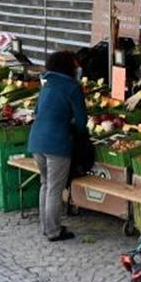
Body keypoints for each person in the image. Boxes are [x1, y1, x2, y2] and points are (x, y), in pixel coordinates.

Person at [28, 51, 88, 241]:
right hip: (57, 143)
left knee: (45, 184)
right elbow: (81, 120)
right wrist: (77, 132)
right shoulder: (72, 87)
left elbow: (37, 111)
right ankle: (54, 231)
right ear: (68, 66)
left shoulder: (47, 84)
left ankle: (46, 227)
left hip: (37, 141)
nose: (77, 67)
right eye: (75, 64)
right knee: (54, 188)